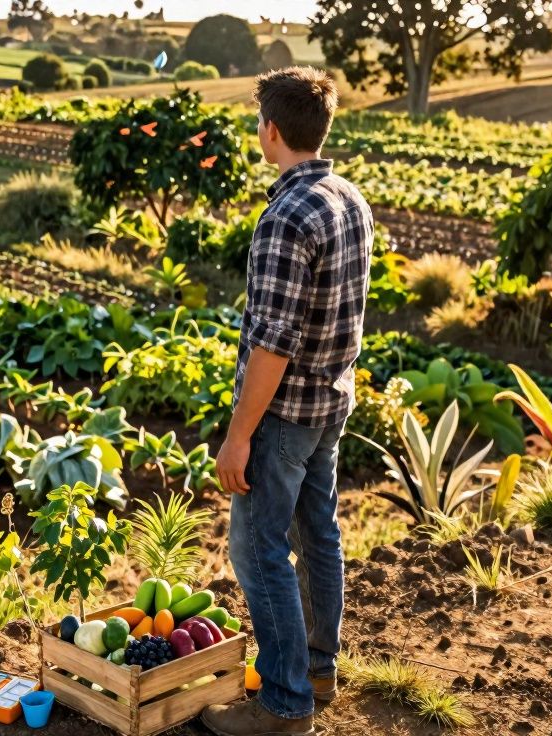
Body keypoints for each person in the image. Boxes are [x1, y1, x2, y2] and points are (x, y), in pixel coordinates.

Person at [201, 66, 373, 736]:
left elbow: (272, 343)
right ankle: (319, 671)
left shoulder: (285, 216)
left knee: (256, 548)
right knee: (318, 533)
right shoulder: (348, 198)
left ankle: (283, 702)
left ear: (270, 131)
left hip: (283, 416)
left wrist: (239, 434)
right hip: (332, 404)